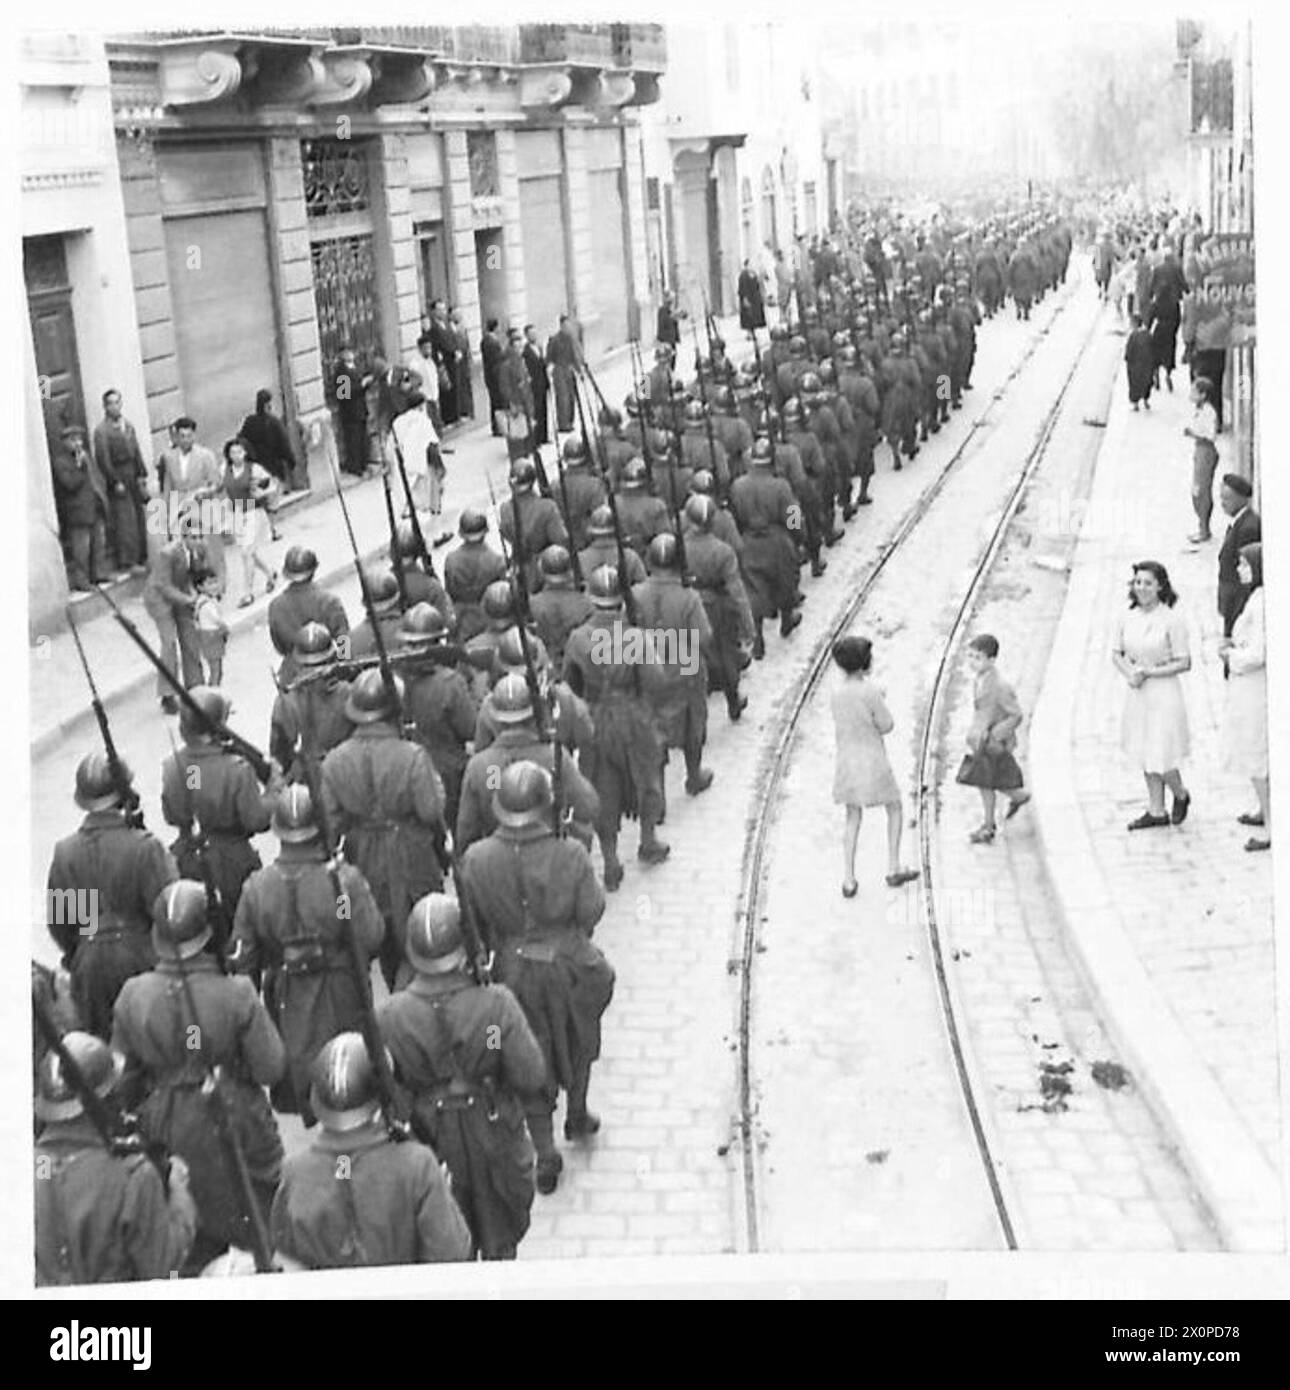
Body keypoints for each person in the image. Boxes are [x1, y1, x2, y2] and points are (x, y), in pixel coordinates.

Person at [112, 880, 285, 1274]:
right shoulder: (237, 993)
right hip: (235, 1117)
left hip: (164, 1123)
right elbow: (271, 1068)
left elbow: (122, 1078)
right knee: (255, 1236)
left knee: (188, 1242)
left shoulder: (132, 994)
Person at [459, 761, 613, 1194]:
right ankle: (577, 1112)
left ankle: (544, 1150)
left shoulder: (477, 858)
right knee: (581, 1036)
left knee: (527, 1054)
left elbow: (471, 921)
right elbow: (592, 911)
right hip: (569, 965)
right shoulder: (571, 853)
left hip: (511, 968)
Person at [378, 893, 546, 1258]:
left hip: (430, 1138)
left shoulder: (390, 1015)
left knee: (449, 1242)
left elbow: (390, 1093)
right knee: (501, 1241)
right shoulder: (495, 1005)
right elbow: (530, 1074)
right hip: (493, 1130)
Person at [229, 785, 384, 1122]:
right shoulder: (342, 881)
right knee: (352, 1074)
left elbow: (244, 962)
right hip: (341, 988)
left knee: (304, 1066)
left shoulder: (257, 887)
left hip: (289, 993)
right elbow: (370, 937)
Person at [269, 1032, 473, 1267]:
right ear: (379, 1098)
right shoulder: (417, 1165)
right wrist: (443, 1193)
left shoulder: (296, 1171)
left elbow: (285, 1257)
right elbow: (450, 1252)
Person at [34, 1031, 198, 1285]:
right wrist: (179, 1193)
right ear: (106, 1098)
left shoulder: (28, 1169)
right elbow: (162, 1266)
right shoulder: (133, 1175)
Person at [320, 669, 448, 991]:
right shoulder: (412, 755)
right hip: (413, 857)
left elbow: (329, 824)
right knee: (426, 934)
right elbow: (431, 808)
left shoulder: (335, 761)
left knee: (386, 939)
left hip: (363, 858)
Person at [46, 753, 178, 1040]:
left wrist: (86, 947)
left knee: (101, 1053)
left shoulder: (67, 853)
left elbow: (64, 926)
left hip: (90, 966)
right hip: (143, 958)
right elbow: (168, 913)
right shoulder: (144, 847)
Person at [161, 686, 277, 956]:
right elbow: (256, 819)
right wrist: (273, 792)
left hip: (188, 857)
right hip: (233, 860)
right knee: (244, 937)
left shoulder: (174, 765)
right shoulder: (237, 769)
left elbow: (173, 814)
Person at [830, 637, 919, 895]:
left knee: (852, 816)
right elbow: (886, 725)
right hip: (872, 759)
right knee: (894, 807)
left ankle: (848, 878)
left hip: (846, 759)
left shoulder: (836, 693)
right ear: (864, 664)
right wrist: (880, 699)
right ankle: (893, 866)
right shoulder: (869, 692)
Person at [1112, 561, 1192, 830]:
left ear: (1160, 586)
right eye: (1138, 582)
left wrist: (1150, 672)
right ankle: (1156, 810)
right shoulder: (1126, 616)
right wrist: (1129, 673)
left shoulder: (1171, 619)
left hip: (1164, 692)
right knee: (1145, 750)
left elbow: (1184, 662)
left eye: (1148, 583)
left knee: (1163, 752)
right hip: (1138, 692)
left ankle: (1180, 794)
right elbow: (1116, 652)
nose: (1142, 588)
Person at [957, 634, 1031, 844]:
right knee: (989, 781)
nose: (972, 662)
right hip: (982, 741)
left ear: (992, 660)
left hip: (994, 743)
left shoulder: (1000, 686)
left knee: (986, 782)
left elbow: (1016, 714)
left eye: (978, 658)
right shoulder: (979, 679)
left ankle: (989, 826)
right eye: (970, 656)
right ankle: (1018, 797)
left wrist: (996, 735)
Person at [1219, 544, 1269, 852]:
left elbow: (1258, 653)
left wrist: (1230, 654)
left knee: (1257, 753)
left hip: (1254, 685)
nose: (1240, 570)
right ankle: (1263, 810)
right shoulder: (1256, 596)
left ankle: (1271, 829)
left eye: (1245, 565)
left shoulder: (1263, 603)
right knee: (1252, 750)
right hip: (1245, 685)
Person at [142, 506, 206, 711]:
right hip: (159, 599)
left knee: (190, 636)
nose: (197, 541)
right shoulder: (167, 553)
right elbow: (163, 586)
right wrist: (188, 600)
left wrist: (200, 593)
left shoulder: (199, 551)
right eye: (193, 537)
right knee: (169, 642)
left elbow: (196, 576)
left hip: (179, 595)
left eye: (200, 536)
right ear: (183, 537)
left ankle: (195, 687)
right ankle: (167, 695)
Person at [157, 417, 226, 594]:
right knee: (186, 549)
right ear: (176, 437)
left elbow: (217, 483)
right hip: (181, 508)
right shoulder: (169, 458)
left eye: (189, 435)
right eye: (182, 436)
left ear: (194, 436)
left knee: (211, 547)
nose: (186, 439)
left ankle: (219, 583)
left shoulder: (206, 455)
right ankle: (193, 586)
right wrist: (165, 512)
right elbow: (167, 487)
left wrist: (205, 491)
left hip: (203, 506)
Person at [269, 546, 349, 685]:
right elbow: (343, 640)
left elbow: (280, 647)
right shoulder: (329, 601)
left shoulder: (276, 606)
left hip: (293, 675)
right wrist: (345, 669)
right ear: (313, 571)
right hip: (328, 672)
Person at [92, 389, 150, 576]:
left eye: (117, 402)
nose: (114, 407)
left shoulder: (128, 425)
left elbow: (136, 451)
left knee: (139, 517)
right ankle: (128, 560)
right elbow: (103, 458)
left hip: (132, 473)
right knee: (126, 520)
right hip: (118, 476)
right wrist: (114, 480)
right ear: (105, 407)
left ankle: (142, 557)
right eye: (110, 403)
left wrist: (141, 474)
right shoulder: (102, 431)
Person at [52, 423, 112, 590]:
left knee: (99, 543)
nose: (78, 443)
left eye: (79, 439)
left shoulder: (86, 457)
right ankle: (82, 580)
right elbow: (70, 484)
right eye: (73, 440)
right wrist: (80, 467)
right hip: (77, 513)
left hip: (94, 507)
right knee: (81, 550)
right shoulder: (61, 462)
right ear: (65, 442)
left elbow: (96, 478)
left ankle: (99, 574)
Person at [222, 436, 278, 604]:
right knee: (248, 552)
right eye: (232, 452)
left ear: (245, 452)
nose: (236, 455)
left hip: (254, 511)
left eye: (239, 451)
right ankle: (269, 572)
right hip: (237, 514)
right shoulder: (225, 470)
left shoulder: (254, 469)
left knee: (246, 552)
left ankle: (247, 592)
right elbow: (219, 487)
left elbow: (272, 484)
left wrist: (263, 493)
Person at [240, 389, 305, 502]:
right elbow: (284, 445)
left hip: (258, 470)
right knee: (275, 498)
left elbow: (241, 441)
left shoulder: (249, 422)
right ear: (267, 405)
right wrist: (292, 462)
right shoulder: (274, 423)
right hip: (274, 469)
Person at [1216, 473, 1261, 637]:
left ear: (1243, 499)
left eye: (1227, 498)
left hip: (1237, 603)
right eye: (1221, 497)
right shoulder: (1238, 522)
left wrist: (1237, 608)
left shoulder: (1248, 528)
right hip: (1230, 601)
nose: (1223, 503)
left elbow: (1247, 573)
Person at [1183, 377, 1220, 543]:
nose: (1191, 394)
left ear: (1203, 395)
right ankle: (1202, 526)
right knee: (1197, 490)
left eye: (1194, 391)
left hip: (1206, 451)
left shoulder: (1209, 412)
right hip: (1199, 450)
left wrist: (1193, 433)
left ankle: (1204, 529)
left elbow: (1211, 435)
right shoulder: (1199, 409)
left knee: (1201, 491)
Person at [332, 347, 369, 477]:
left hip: (360, 408)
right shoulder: (341, 371)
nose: (351, 354)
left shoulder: (354, 367)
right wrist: (362, 386)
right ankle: (355, 466)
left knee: (361, 438)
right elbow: (343, 394)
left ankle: (363, 463)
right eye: (348, 352)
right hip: (350, 411)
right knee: (353, 439)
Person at [192, 568, 229, 686]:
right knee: (216, 670)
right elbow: (217, 620)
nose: (214, 586)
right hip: (212, 638)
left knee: (216, 669)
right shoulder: (207, 603)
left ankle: (213, 691)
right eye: (209, 583)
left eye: (215, 582)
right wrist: (225, 628)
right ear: (200, 587)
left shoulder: (203, 600)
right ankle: (213, 693)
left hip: (206, 637)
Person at [523, 324, 550, 447]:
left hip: (542, 384)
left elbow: (543, 366)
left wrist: (547, 382)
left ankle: (545, 436)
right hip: (534, 386)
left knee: (544, 410)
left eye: (535, 333)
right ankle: (537, 439)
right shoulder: (526, 351)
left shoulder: (539, 347)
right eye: (531, 334)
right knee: (537, 412)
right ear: (527, 336)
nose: (534, 335)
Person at [1124, 313, 1155, 411]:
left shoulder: (1133, 336)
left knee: (1135, 383)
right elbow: (1153, 348)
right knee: (1146, 382)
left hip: (1135, 365)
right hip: (1147, 364)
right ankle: (1146, 399)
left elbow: (1129, 351)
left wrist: (1127, 358)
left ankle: (1135, 403)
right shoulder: (1148, 334)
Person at [480, 319, 505, 437]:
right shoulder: (491, 342)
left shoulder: (487, 340)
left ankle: (497, 426)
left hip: (491, 375)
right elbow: (495, 361)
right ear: (495, 327)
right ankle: (497, 427)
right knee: (497, 402)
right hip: (494, 376)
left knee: (495, 402)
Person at [450, 307, 475, 422]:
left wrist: (470, 359)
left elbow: (467, 345)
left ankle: (469, 410)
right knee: (461, 387)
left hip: (464, 360)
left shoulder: (463, 328)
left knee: (467, 385)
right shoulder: (451, 329)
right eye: (456, 315)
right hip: (458, 362)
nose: (459, 317)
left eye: (460, 314)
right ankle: (463, 411)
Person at [738, 258, 766, 331]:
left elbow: (757, 285)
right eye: (751, 264)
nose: (752, 265)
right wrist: (745, 298)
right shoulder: (743, 275)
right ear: (747, 265)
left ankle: (754, 330)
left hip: (755, 299)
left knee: (755, 316)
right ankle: (749, 332)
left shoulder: (753, 273)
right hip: (748, 298)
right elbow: (742, 288)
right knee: (748, 316)